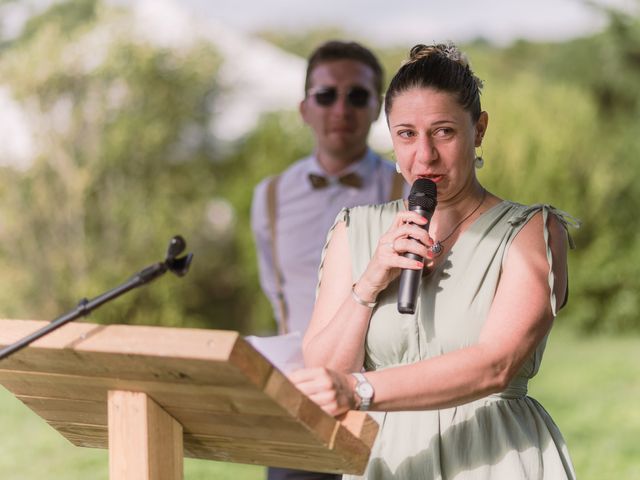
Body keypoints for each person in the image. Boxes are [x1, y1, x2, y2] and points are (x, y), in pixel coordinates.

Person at [290, 42, 579, 479]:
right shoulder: (356, 229)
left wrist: (360, 388)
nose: (424, 155)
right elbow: (325, 372)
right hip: (387, 459)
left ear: (478, 130)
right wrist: (369, 283)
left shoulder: (530, 232)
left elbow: (496, 365)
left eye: (443, 131)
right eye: (406, 134)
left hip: (493, 455)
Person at [250, 41, 405, 480]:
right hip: (296, 398)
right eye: (326, 95)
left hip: (381, 401)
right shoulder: (270, 196)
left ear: (377, 108)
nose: (341, 108)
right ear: (305, 107)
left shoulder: (407, 189)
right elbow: (276, 288)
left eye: (357, 95)